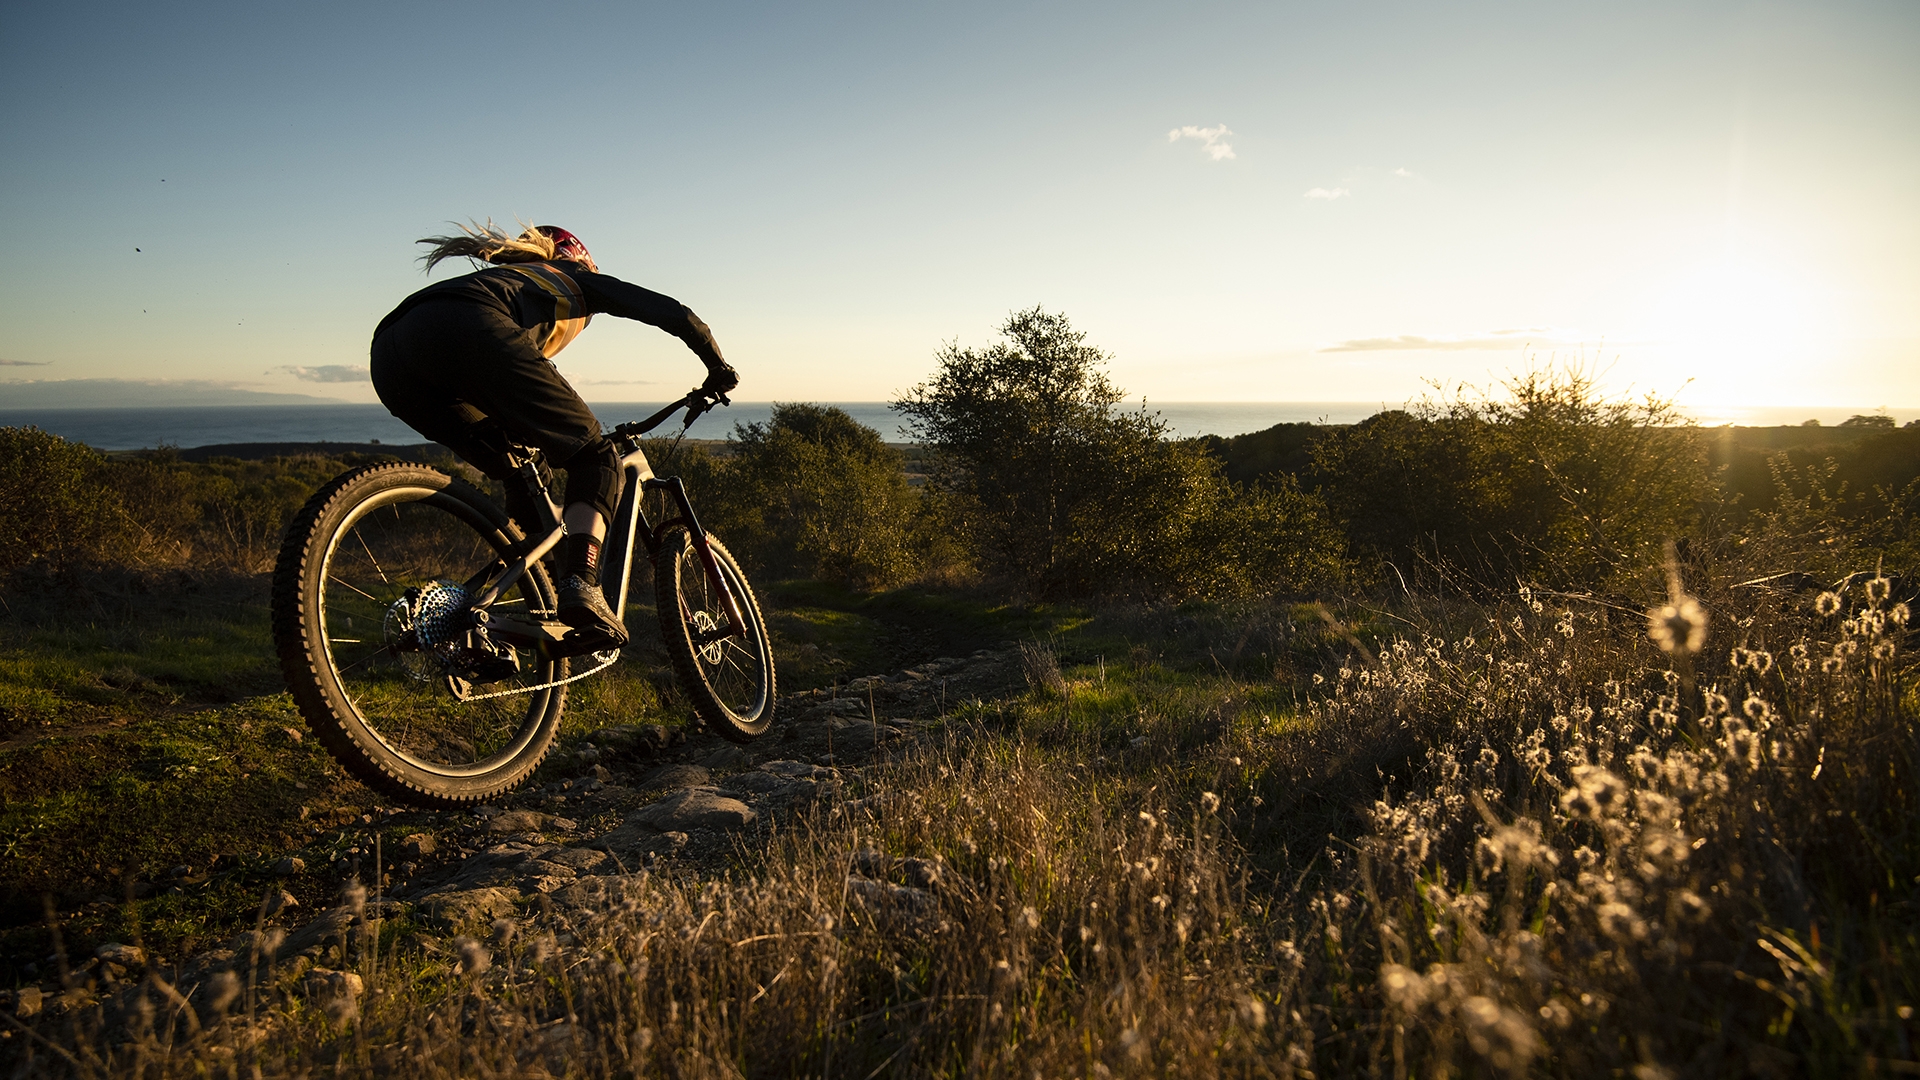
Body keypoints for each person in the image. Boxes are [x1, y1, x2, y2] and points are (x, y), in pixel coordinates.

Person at [370, 220, 737, 646]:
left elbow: (524, 374)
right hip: (469, 326)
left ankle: (488, 607)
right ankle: (581, 582)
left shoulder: (508, 282)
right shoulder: (573, 279)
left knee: (525, 471)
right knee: (596, 457)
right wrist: (717, 365)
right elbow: (668, 311)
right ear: (578, 259)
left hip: (391, 353)